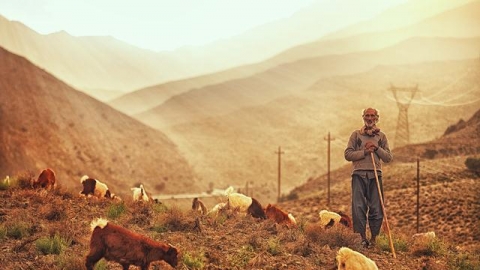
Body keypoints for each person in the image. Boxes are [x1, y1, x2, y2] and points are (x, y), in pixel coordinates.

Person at [344, 107, 393, 248]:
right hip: (358, 174)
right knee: (358, 207)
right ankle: (360, 239)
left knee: (377, 208)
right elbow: (348, 154)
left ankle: (375, 239)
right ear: (363, 117)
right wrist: (365, 151)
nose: (370, 118)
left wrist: (376, 148)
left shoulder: (381, 137)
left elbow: (388, 157)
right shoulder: (356, 135)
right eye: (367, 115)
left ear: (377, 118)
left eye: (372, 116)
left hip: (375, 174)